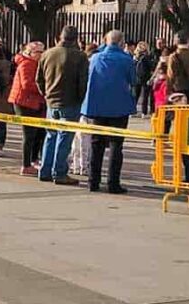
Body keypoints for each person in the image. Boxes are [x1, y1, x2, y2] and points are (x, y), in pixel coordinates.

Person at [81, 30, 136, 194]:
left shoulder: (96, 57)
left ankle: (93, 181)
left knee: (96, 144)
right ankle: (113, 183)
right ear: (122, 43)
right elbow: (133, 80)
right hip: (119, 107)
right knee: (116, 145)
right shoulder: (126, 59)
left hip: (98, 107)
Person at [36, 25, 89, 185]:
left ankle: (45, 170)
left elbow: (38, 79)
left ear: (60, 36)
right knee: (64, 138)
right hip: (70, 102)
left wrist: (45, 94)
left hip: (51, 101)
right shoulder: (79, 56)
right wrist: (80, 99)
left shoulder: (47, 54)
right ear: (76, 39)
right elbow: (83, 82)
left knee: (51, 136)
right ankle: (59, 172)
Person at [9, 41, 46, 176]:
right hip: (25, 102)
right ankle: (26, 165)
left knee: (38, 133)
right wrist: (44, 88)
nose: (41, 54)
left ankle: (33, 160)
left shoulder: (35, 63)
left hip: (34, 102)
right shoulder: (27, 63)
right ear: (30, 53)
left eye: (43, 51)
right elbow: (27, 84)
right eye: (38, 52)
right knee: (29, 134)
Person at [133, 42, 156, 116]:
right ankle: (144, 112)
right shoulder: (147, 56)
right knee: (145, 95)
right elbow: (151, 66)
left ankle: (133, 111)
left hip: (137, 77)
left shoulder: (135, 56)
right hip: (146, 77)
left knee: (137, 95)